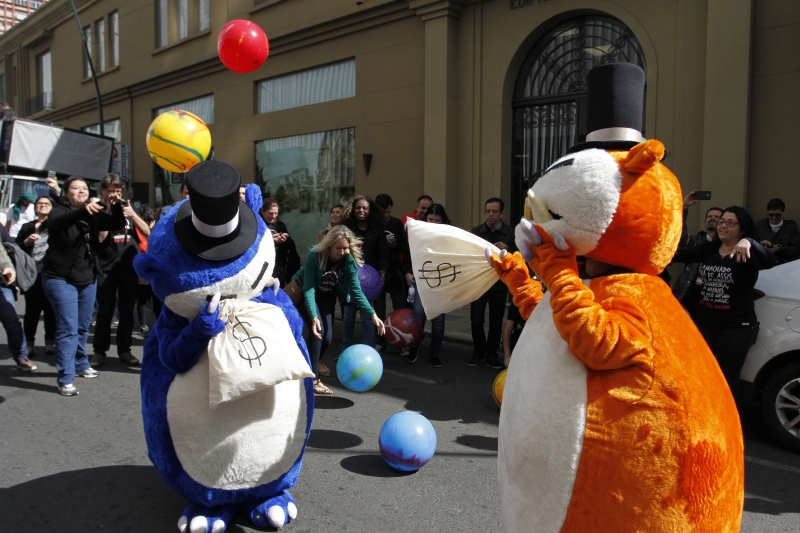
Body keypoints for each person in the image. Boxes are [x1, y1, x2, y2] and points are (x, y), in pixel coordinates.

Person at [673, 206, 776, 394]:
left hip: (735, 326)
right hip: (705, 323)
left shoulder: (746, 252)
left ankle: (729, 420)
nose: (723, 226)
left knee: (728, 377)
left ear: (742, 228)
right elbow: (676, 255)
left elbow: (770, 261)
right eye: (722, 222)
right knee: (701, 372)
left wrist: (749, 242)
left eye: (730, 223)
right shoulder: (708, 251)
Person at [41, 176, 125, 396]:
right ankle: (65, 378)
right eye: (75, 188)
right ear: (66, 193)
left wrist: (115, 206)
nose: (81, 191)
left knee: (82, 326)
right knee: (68, 327)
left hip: (87, 277)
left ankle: (80, 363)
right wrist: (85, 210)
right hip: (59, 278)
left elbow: (116, 224)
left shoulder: (95, 214)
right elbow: (59, 223)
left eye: (84, 188)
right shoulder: (58, 211)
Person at [295, 225, 385, 395]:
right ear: (329, 245)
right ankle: (312, 380)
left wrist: (373, 315)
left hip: (327, 296)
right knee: (317, 332)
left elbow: (357, 291)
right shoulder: (315, 256)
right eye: (338, 248)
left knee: (327, 337)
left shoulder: (348, 260)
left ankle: (305, 364)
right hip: (309, 295)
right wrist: (313, 316)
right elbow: (308, 288)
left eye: (345, 248)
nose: (342, 252)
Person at [91, 174, 151, 367]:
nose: (114, 195)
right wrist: (110, 210)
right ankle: (99, 351)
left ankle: (124, 350)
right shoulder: (97, 209)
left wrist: (132, 214)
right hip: (106, 267)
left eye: (117, 191)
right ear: (102, 191)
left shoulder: (129, 208)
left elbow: (147, 232)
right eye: (110, 191)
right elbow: (100, 238)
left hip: (128, 266)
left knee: (127, 311)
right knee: (106, 311)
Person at [469, 197, 516, 369]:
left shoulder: (510, 232)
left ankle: (491, 355)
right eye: (488, 211)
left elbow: (519, 257)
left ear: (501, 213)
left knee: (496, 322)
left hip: (499, 283)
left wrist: (508, 248)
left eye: (494, 211)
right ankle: (478, 352)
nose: (490, 215)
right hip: (480, 282)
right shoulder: (476, 231)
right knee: (476, 319)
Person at [404, 203, 450, 366]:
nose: (433, 223)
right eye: (430, 219)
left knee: (438, 320)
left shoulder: (448, 236)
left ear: (443, 220)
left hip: (439, 283)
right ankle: (415, 346)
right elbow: (409, 253)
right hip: (419, 280)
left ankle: (434, 354)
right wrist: (407, 272)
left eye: (437, 220)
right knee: (417, 315)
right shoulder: (418, 234)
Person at [341, 196, 389, 350]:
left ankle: (369, 349)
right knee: (348, 316)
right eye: (358, 208)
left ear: (370, 211)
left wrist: (383, 270)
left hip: (369, 280)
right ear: (352, 210)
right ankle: (345, 349)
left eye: (365, 208)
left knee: (367, 316)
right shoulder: (346, 229)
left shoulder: (377, 230)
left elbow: (383, 253)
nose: (361, 210)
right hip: (349, 276)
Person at [16, 195, 55, 356]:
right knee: (32, 310)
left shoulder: (55, 226)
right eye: (40, 203)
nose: (43, 206)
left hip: (51, 271)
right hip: (32, 273)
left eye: (46, 204)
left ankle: (49, 343)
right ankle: (29, 344)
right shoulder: (27, 227)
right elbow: (16, 248)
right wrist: (27, 242)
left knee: (51, 309)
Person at [374, 194, 408, 354]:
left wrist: (394, 244)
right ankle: (381, 341)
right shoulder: (372, 224)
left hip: (395, 270)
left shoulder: (396, 223)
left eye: (389, 212)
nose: (386, 216)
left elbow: (403, 247)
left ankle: (400, 342)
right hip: (377, 271)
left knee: (399, 307)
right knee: (379, 308)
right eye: (383, 213)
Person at [0, 243, 34, 371]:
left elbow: (4, 249)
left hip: (1, 284)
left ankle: (21, 357)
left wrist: (7, 266)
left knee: (12, 321)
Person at [259, 198, 301, 287]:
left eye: (276, 213)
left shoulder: (279, 225)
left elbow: (291, 245)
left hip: (279, 268)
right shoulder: (257, 225)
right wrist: (269, 240)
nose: (273, 216)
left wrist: (284, 240)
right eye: (271, 213)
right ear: (262, 211)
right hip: (262, 269)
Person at [135, 205, 162, 337]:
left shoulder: (158, 226)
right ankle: (143, 325)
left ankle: (158, 325)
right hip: (142, 264)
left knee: (156, 297)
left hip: (154, 265)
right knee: (142, 297)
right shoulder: (136, 226)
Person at [755, 198, 800, 265]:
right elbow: (752, 245)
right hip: (764, 264)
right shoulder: (759, 226)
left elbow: (797, 249)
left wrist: (779, 249)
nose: (774, 217)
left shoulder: (791, 227)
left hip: (784, 264)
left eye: (777, 215)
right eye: (771, 215)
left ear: (782, 212)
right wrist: (762, 245)